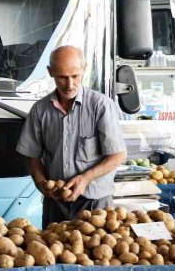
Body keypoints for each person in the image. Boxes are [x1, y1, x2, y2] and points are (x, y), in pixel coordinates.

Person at [16, 45, 127, 228]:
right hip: (56, 203)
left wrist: (85, 178)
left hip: (94, 203)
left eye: (75, 76)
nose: (69, 85)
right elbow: (31, 156)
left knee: (97, 255)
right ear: (51, 72)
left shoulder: (101, 106)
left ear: (84, 69)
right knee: (52, 253)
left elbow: (118, 155)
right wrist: (41, 183)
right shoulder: (40, 110)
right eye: (62, 77)